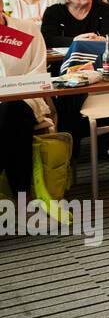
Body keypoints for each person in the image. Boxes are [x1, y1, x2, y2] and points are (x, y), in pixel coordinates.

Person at [0, 11, 54, 198]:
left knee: (11, 108)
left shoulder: (27, 28)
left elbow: (37, 72)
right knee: (10, 120)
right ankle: (22, 195)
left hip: (25, 98)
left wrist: (11, 89)